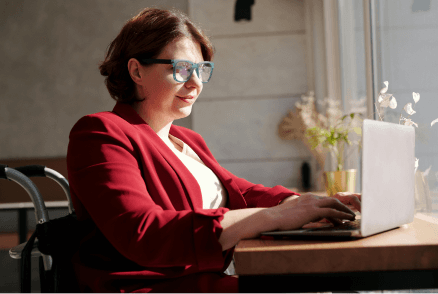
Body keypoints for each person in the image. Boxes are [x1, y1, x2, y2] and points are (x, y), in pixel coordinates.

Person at [66, 7, 361, 293]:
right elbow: (144, 233)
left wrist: (310, 205)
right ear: (136, 70)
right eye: (181, 69)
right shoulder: (100, 132)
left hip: (201, 281)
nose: (195, 83)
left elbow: (242, 194)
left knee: (329, 285)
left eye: (201, 69)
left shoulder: (188, 140)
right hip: (151, 287)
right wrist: (275, 216)